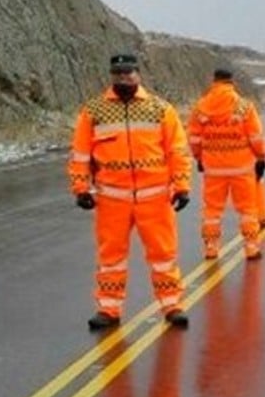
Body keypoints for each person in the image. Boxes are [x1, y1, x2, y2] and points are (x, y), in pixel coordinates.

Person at [69, 54, 192, 330]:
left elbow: (177, 151)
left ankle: (172, 305)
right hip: (112, 199)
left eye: (128, 73)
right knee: (110, 258)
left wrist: (182, 186)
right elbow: (80, 153)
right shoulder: (94, 111)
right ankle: (108, 309)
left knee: (163, 255)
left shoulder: (160, 109)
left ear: (138, 74)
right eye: (118, 74)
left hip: (154, 198)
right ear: (111, 76)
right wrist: (80, 187)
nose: (123, 78)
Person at [187, 69, 265, 260]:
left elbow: (194, 138)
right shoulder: (244, 107)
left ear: (214, 81)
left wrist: (199, 157)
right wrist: (261, 157)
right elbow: (256, 137)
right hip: (242, 168)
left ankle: (211, 247)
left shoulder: (200, 108)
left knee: (212, 210)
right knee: (247, 209)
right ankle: (251, 247)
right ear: (231, 82)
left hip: (213, 168)